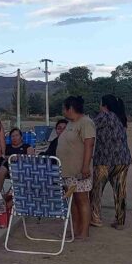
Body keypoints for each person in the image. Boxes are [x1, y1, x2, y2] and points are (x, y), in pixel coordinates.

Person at [90, 95, 132, 229]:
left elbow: (89, 128)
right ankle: (120, 221)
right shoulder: (121, 118)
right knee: (120, 191)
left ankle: (95, 218)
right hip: (123, 160)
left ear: (104, 105)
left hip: (104, 160)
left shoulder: (103, 117)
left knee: (97, 191)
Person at [56, 96, 96, 240]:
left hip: (79, 171)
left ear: (70, 108)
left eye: (64, 108)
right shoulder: (70, 123)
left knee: (82, 199)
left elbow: (89, 145)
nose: (63, 111)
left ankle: (84, 232)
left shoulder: (86, 123)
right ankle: (75, 229)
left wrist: (85, 167)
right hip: (67, 171)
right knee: (72, 201)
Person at [0, 127, 36, 206]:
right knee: (1, 169)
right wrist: (9, 157)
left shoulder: (27, 146)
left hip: (22, 169)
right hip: (8, 168)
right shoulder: (7, 147)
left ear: (21, 137)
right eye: (12, 136)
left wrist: (19, 157)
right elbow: (1, 158)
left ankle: (4, 199)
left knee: (4, 170)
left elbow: (31, 157)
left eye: (17, 135)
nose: (14, 138)